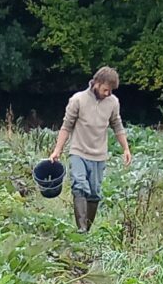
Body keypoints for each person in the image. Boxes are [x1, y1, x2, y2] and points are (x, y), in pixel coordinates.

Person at [49, 67, 131, 232]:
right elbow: (66, 126)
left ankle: (87, 229)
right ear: (96, 83)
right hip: (78, 152)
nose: (108, 93)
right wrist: (57, 150)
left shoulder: (113, 102)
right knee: (79, 186)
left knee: (94, 193)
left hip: (99, 155)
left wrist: (126, 149)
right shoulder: (78, 100)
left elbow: (117, 125)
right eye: (105, 89)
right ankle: (81, 228)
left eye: (111, 90)